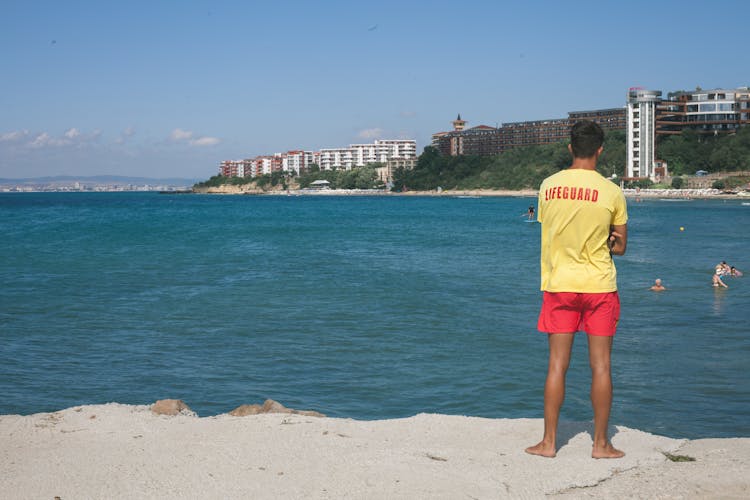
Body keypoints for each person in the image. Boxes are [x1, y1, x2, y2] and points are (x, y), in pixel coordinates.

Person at [525, 121, 628, 460]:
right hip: (599, 286)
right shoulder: (611, 191)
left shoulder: (548, 186)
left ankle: (549, 443)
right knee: (601, 366)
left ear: (570, 148)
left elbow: (550, 226)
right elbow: (620, 246)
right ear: (600, 150)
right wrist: (608, 241)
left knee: (557, 365)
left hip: (560, 285)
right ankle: (601, 445)